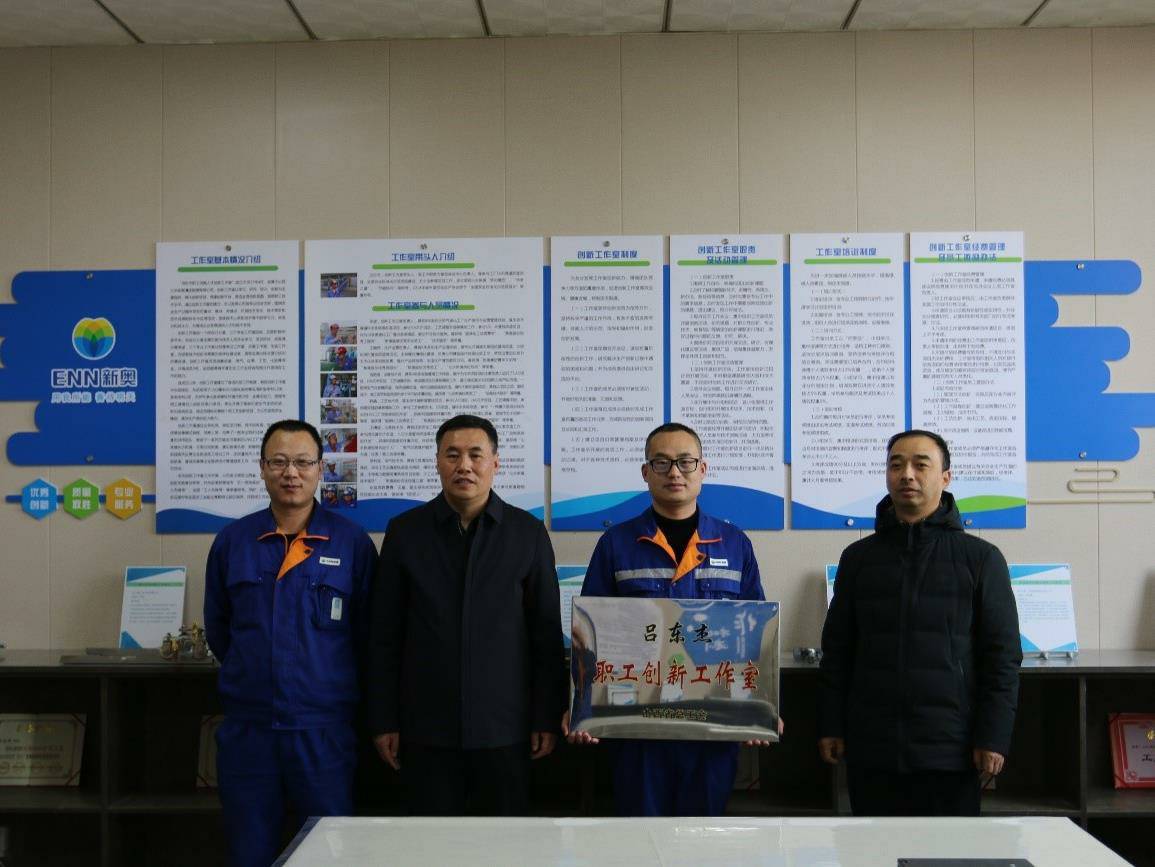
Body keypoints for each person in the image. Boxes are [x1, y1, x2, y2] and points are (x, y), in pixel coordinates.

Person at [565, 422, 770, 816]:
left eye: (685, 462)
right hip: (637, 726)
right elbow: (589, 633)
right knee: (640, 834)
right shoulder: (616, 543)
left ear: (703, 469)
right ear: (646, 472)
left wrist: (759, 709)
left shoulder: (734, 544)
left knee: (702, 834)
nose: (674, 472)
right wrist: (582, 706)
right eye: (661, 463)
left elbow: (753, 631)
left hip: (711, 724)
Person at [368, 414, 567, 815]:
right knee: (428, 841)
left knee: (503, 841)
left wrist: (545, 716)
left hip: (505, 730)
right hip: (425, 729)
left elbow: (545, 635)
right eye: (452, 455)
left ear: (495, 462)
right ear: (437, 462)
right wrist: (383, 719)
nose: (464, 466)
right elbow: (384, 635)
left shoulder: (527, 534)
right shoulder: (406, 533)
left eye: (476, 455)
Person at [818, 429, 1022, 816]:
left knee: (947, 849)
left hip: (951, 751)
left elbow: (1002, 658)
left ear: (945, 477)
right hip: (872, 749)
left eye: (920, 465)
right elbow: (838, 652)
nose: (906, 474)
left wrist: (993, 737)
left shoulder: (981, 559)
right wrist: (831, 725)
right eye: (896, 465)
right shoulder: (858, 558)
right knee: (872, 847)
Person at [203, 420, 377, 867]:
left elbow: (368, 636)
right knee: (249, 852)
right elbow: (219, 629)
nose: (291, 473)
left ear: (321, 469)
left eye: (302, 462)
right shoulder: (233, 542)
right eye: (279, 462)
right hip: (250, 731)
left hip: (324, 732)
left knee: (330, 854)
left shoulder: (352, 544)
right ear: (262, 468)